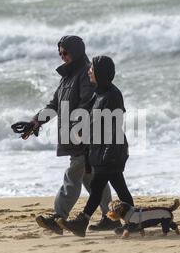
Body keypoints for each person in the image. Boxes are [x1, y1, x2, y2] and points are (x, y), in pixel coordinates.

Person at [18, 36, 121, 235]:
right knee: (91, 179)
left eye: (65, 53)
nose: (62, 57)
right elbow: (54, 105)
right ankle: (111, 217)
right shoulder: (67, 77)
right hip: (74, 135)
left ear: (75, 51)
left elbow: (88, 103)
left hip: (83, 136)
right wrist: (35, 121)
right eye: (60, 54)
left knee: (73, 174)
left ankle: (58, 217)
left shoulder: (86, 73)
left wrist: (80, 129)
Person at [57, 55, 134, 237]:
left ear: (100, 72)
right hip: (101, 150)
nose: (89, 71)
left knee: (98, 186)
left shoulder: (112, 95)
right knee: (116, 187)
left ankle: (82, 222)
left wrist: (104, 149)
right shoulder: (98, 93)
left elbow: (111, 124)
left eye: (91, 69)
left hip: (111, 150)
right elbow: (91, 118)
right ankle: (133, 222)